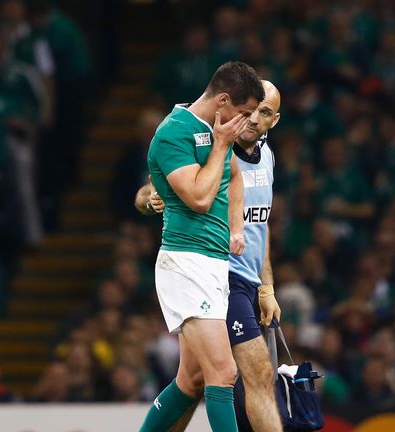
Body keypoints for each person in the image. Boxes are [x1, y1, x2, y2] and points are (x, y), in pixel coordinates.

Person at [136, 80, 284, 431]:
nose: (250, 119)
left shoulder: (267, 158)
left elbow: (258, 226)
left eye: (261, 112)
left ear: (272, 120)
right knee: (249, 372)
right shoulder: (205, 139)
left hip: (240, 277)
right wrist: (148, 200)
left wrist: (267, 288)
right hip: (211, 269)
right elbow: (151, 187)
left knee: (192, 380)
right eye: (248, 109)